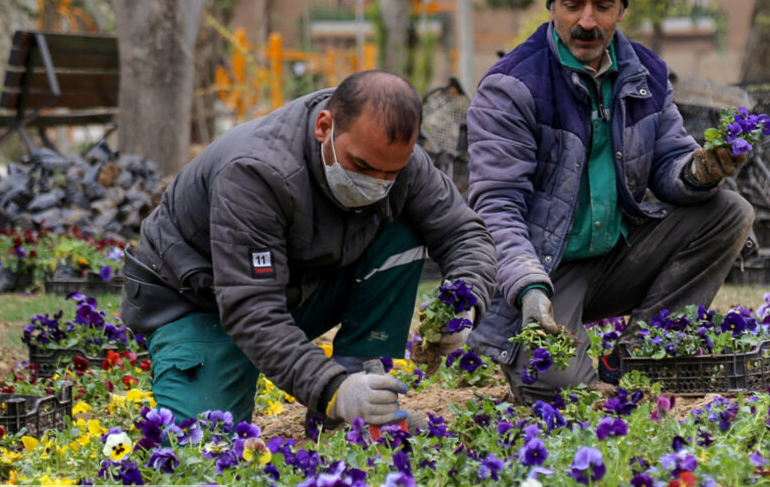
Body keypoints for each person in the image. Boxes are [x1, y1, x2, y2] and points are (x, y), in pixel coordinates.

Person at [465, 0, 755, 405]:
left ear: (622, 8)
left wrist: (700, 171)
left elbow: (669, 166)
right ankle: (557, 354)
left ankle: (636, 355)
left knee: (729, 211)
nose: (586, 20)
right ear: (551, 5)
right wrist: (526, 286)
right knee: (556, 388)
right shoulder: (513, 87)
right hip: (544, 269)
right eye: (572, 3)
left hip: (615, 252)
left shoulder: (644, 72)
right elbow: (496, 207)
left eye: (603, 5)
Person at [120, 70, 496, 428]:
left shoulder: (396, 159)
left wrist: (466, 301)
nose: (377, 184)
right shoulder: (255, 173)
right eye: (361, 165)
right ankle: (342, 393)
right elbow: (252, 309)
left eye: (390, 174)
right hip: (199, 303)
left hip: (290, 288)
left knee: (402, 232)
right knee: (201, 442)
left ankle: (356, 375)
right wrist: (332, 390)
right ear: (324, 127)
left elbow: (464, 232)